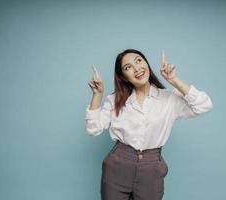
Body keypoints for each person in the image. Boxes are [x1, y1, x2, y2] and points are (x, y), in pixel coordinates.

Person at [85, 49, 213, 200]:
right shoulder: (115, 100)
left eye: (138, 61)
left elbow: (204, 105)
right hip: (117, 166)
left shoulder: (169, 99)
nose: (136, 68)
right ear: (123, 77)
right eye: (128, 67)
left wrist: (173, 80)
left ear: (146, 63)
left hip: (151, 168)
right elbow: (93, 128)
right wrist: (97, 95)